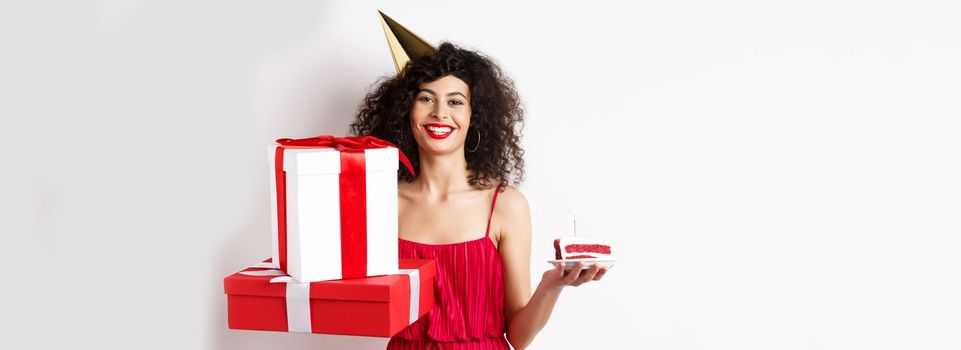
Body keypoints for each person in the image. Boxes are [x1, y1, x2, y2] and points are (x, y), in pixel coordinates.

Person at [351, 42, 609, 350]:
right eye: (425, 98)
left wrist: (551, 285)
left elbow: (518, 337)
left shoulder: (504, 205)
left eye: (455, 102)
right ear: (406, 111)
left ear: (475, 115)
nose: (439, 113)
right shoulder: (377, 202)